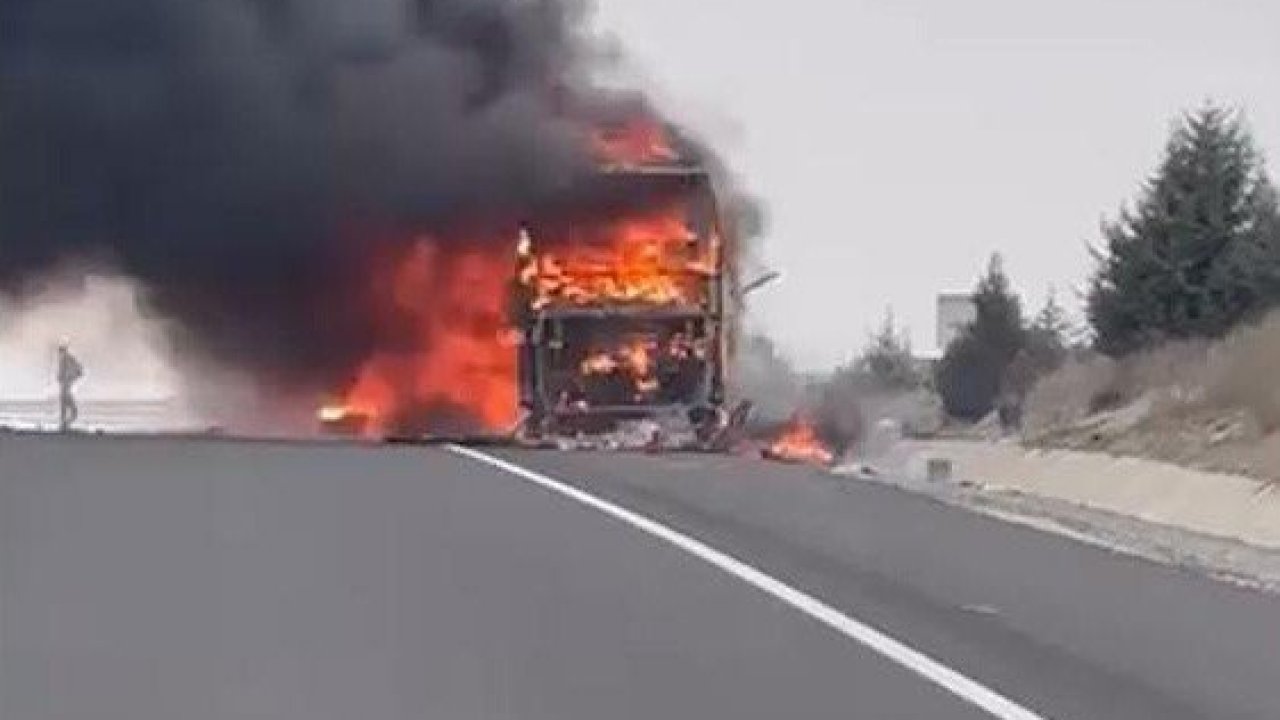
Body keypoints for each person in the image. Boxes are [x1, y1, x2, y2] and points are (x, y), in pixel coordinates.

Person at [56, 343, 84, 432]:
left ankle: (64, 425)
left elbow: (78, 370)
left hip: (65, 390)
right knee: (71, 411)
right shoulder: (66, 359)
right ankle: (64, 425)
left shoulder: (66, 359)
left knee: (67, 410)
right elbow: (79, 370)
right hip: (65, 390)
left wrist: (72, 376)